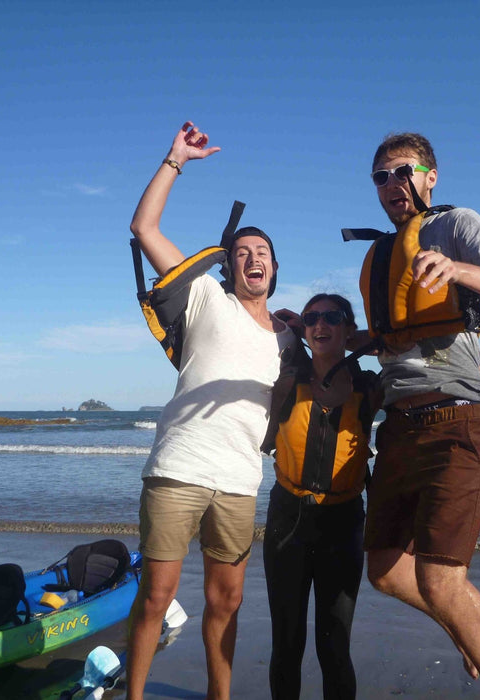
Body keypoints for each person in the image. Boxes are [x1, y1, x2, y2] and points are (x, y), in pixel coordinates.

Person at [359, 133, 480, 700]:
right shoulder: (382, 252)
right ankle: (460, 619)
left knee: (439, 578)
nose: (390, 185)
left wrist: (457, 269)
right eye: (379, 177)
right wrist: (317, 331)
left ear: (430, 175)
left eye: (401, 172)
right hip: (400, 428)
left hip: (458, 420)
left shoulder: (455, 225)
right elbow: (395, 338)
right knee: (386, 569)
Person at [126, 122, 296, 700]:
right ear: (230, 266)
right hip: (179, 468)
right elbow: (144, 227)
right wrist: (175, 160)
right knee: (156, 596)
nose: (253, 258)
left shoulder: (289, 338)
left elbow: (344, 364)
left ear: (275, 268)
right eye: (243, 252)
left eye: (263, 253)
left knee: (228, 602)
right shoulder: (204, 297)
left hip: (240, 481)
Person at [261, 294, 381, 700]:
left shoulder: (370, 388)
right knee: (287, 643)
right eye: (311, 318)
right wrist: (291, 328)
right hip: (287, 520)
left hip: (343, 523)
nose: (319, 324)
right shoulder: (285, 378)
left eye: (332, 317)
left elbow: (414, 367)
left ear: (348, 330)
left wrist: (479, 375)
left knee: (334, 646)